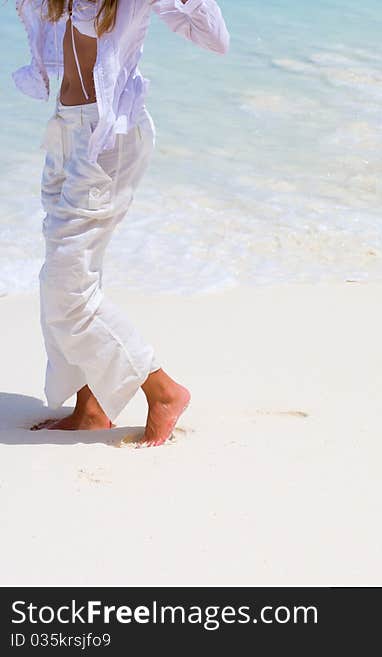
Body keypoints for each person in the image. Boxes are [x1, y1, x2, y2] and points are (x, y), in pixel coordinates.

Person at [14, 0, 230, 446]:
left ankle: (163, 390)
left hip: (105, 142)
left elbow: (213, 38)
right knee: (68, 274)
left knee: (67, 288)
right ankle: (90, 406)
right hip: (66, 130)